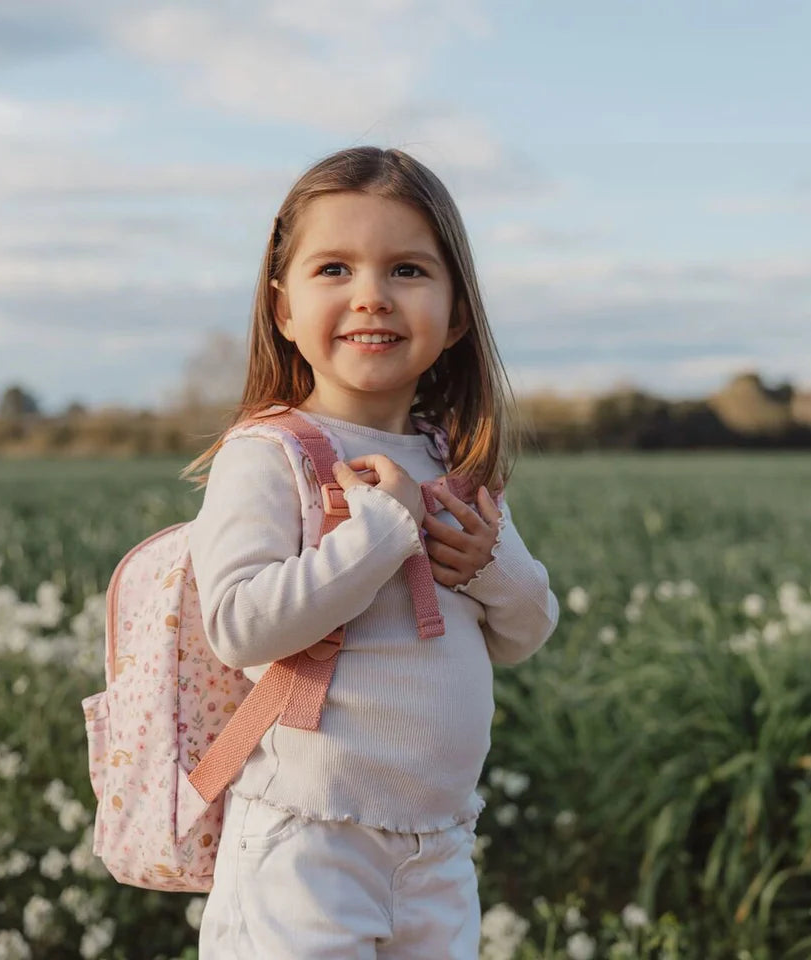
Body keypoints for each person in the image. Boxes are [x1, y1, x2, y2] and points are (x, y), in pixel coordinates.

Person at [181, 145, 560, 959]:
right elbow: (239, 625)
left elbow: (525, 631)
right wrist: (381, 535)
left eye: (409, 271)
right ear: (282, 309)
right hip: (307, 846)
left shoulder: (452, 460)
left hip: (437, 849)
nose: (371, 297)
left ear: (457, 313)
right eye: (334, 269)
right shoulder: (270, 453)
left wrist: (492, 567)